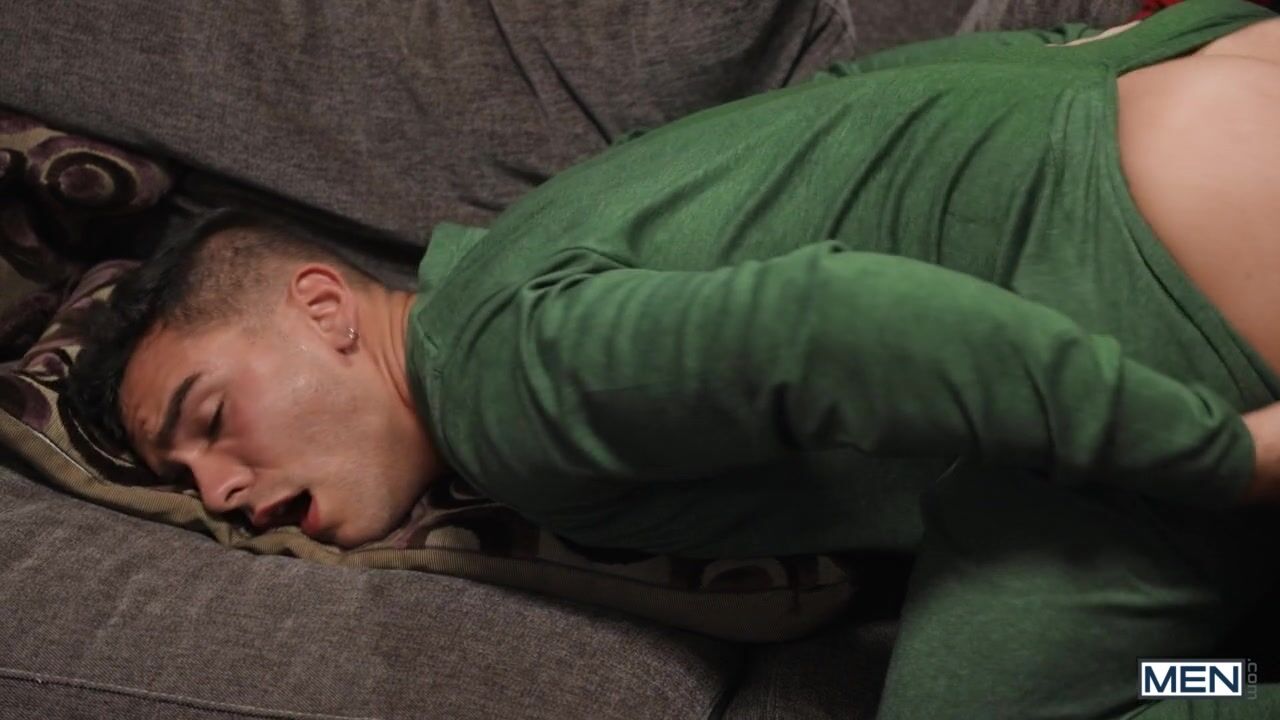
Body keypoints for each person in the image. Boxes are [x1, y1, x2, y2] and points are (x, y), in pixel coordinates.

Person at [66, 0, 1280, 717]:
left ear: (323, 305)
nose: (219, 488)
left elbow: (829, 323)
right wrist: (1142, 45)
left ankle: (1233, 674)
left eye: (208, 418)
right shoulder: (543, 230)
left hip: (1147, 270)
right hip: (1210, 76)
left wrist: (1212, 458)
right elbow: (858, 90)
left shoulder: (494, 384)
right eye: (188, 484)